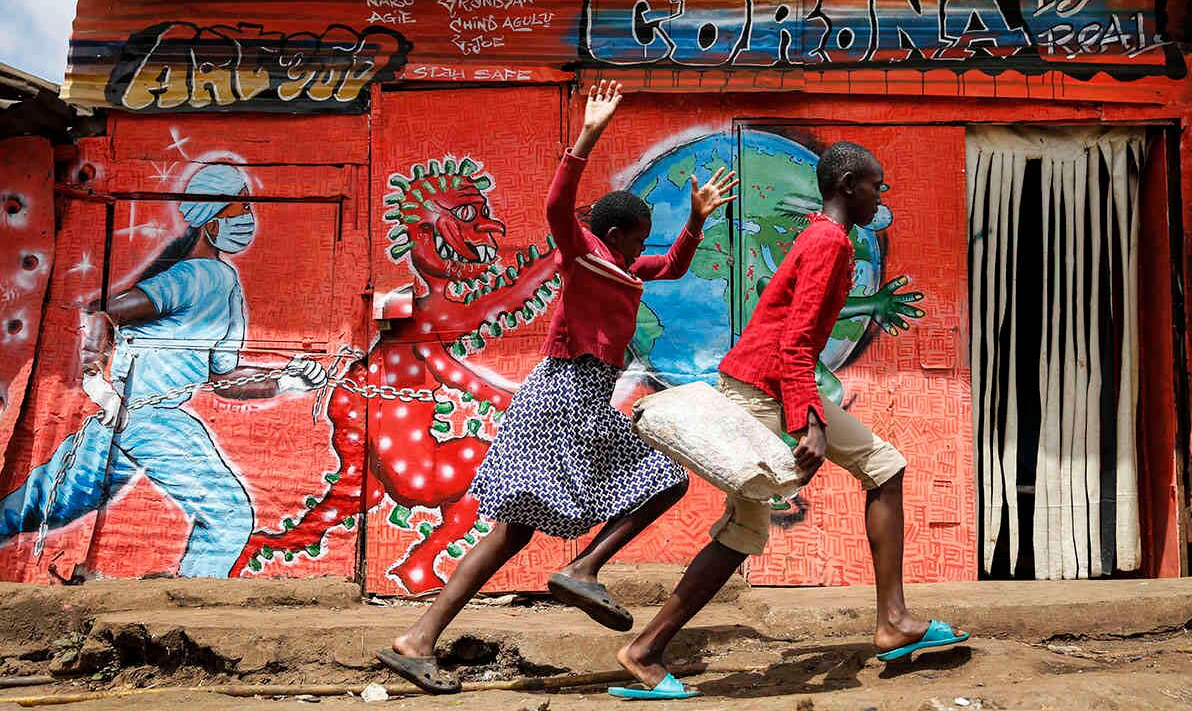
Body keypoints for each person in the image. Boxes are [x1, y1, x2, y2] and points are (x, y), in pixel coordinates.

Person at [378, 80, 738, 694]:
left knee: (513, 528)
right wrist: (588, 136)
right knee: (667, 477)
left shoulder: (623, 268)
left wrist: (697, 220)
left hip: (567, 396)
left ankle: (417, 640)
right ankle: (583, 566)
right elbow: (556, 206)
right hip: (567, 393)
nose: (645, 245)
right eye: (643, 233)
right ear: (619, 232)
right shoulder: (585, 252)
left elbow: (672, 266)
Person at [610, 142, 968, 701]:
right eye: (876, 184)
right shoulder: (828, 242)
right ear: (849, 184)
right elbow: (797, 342)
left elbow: (792, 338)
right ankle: (645, 650)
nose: (881, 195)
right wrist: (811, 423)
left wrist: (805, 411)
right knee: (746, 528)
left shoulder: (825, 237)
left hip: (772, 384)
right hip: (764, 391)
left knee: (883, 466)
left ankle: (894, 621)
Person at [0, 163, 326, 578]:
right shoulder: (196, 276)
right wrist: (96, 377)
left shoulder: (222, 281)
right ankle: (192, 602)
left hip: (127, 420)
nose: (248, 216)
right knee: (228, 517)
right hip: (150, 419)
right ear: (209, 222)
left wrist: (285, 380)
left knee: (39, 506)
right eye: (240, 206)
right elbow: (103, 313)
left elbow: (222, 380)